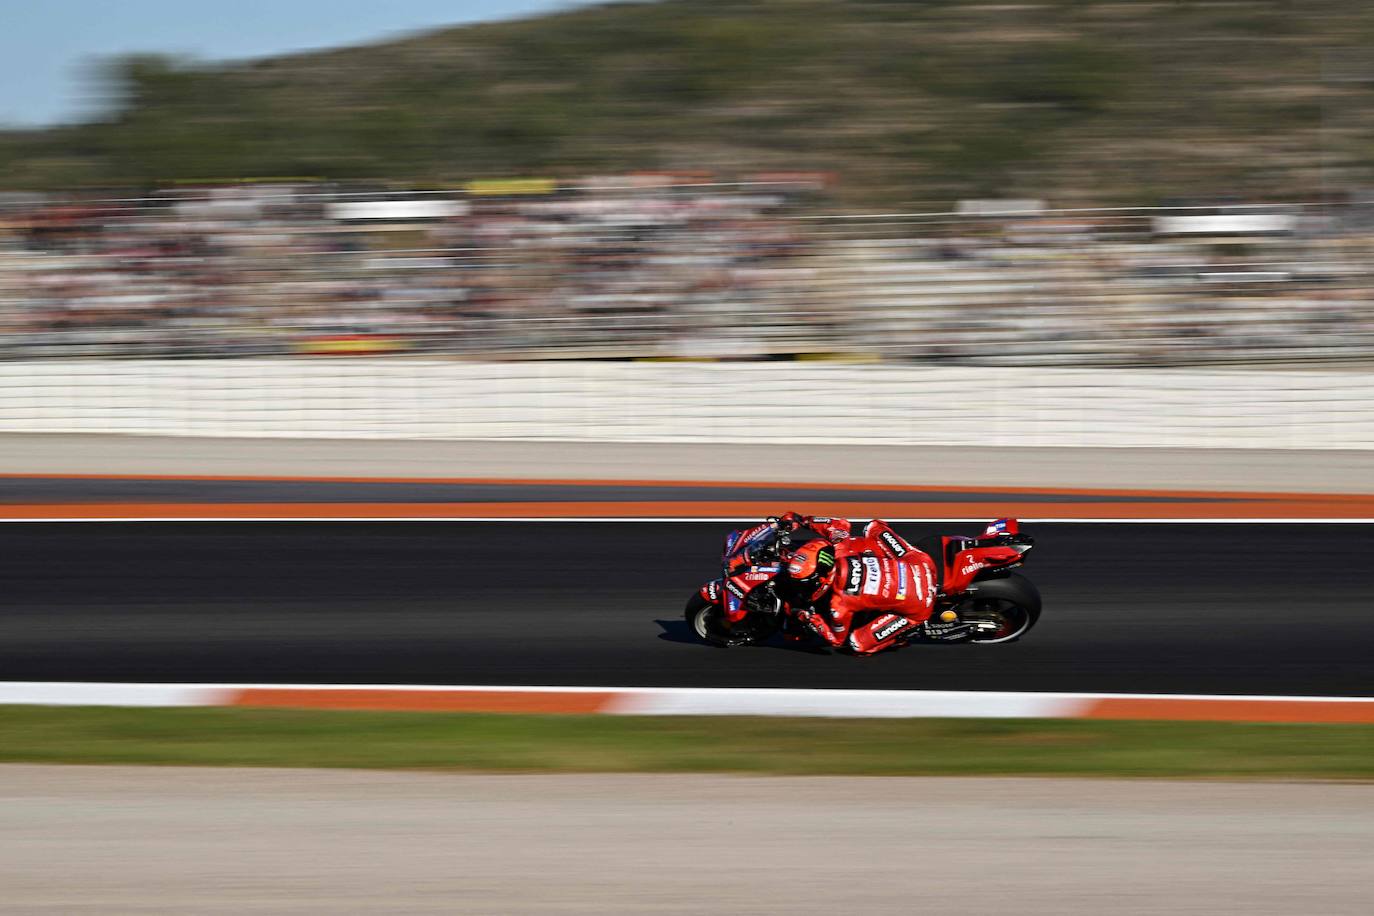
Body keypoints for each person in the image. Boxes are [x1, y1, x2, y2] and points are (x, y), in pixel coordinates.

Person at [772, 512, 945, 655]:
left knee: (857, 644)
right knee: (873, 527)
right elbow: (839, 523)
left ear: (821, 579)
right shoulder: (840, 546)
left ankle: (901, 636)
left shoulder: (838, 606)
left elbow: (836, 640)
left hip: (921, 605)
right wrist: (801, 520)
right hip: (919, 563)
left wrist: (808, 617)